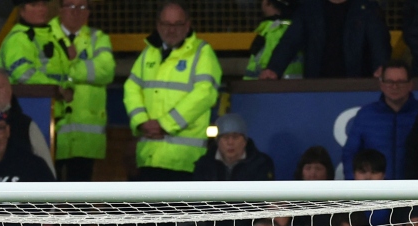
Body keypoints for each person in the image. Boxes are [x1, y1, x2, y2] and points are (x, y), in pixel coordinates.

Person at [1, 1, 113, 182]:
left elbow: (63, 73)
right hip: (34, 118)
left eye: (43, 5)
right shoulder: (19, 38)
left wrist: (65, 85)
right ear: (22, 11)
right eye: (34, 5)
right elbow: (23, 73)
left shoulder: (48, 36)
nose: (42, 9)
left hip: (52, 118)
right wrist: (57, 89)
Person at [123, 2, 222, 181]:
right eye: (166, 24)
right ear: (158, 25)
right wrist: (141, 122)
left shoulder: (202, 52)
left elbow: (205, 94)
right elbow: (131, 87)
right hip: (148, 157)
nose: (171, 30)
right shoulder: (148, 53)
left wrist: (165, 124)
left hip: (185, 162)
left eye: (177, 24)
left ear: (187, 25)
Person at [258, 0, 389, 79]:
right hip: (318, 85)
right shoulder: (309, 8)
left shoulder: (367, 8)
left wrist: (381, 66)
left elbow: (379, 42)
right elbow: (290, 41)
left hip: (357, 84)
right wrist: (273, 69)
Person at [341, 61, 418, 180]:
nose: (394, 86)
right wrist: (356, 188)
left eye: (400, 82)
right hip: (375, 194)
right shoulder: (366, 114)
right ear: (381, 84)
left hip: (417, 192)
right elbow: (350, 154)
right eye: (389, 81)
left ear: (410, 84)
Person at [192, 113, 275, 181]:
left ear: (244, 141)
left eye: (235, 137)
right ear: (217, 141)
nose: (230, 142)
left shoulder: (260, 163)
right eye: (225, 137)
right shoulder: (205, 164)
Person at [243, 0, 300, 80]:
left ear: (267, 2)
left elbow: (266, 69)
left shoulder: (273, 31)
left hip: (267, 89)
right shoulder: (296, 29)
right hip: (298, 88)